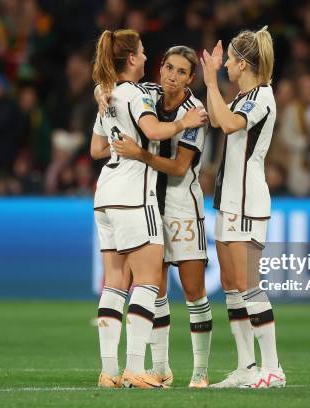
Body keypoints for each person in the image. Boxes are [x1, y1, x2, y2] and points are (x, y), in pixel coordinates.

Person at [89, 29, 206, 389]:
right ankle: (137, 368)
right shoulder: (137, 94)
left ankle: (108, 371)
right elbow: (153, 130)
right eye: (141, 52)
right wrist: (182, 124)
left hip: (104, 195)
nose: (146, 57)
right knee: (149, 282)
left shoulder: (109, 97)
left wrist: (101, 95)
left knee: (114, 285)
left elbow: (96, 149)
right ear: (133, 59)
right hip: (133, 196)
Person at [200, 26, 285, 388]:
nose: (227, 66)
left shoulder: (261, 97)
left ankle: (273, 368)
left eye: (231, 60)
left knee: (250, 284)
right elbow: (219, 119)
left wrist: (212, 81)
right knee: (231, 284)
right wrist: (210, 82)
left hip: (248, 201)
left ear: (244, 63)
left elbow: (231, 123)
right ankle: (246, 366)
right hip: (229, 200)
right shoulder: (241, 97)